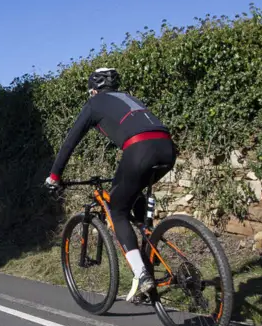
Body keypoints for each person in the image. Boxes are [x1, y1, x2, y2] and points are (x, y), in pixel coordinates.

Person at [44, 67, 176, 303]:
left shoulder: (95, 104)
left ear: (93, 90)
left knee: (116, 210)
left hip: (140, 150)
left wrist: (55, 176)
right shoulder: (128, 99)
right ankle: (149, 251)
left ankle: (143, 274)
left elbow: (70, 142)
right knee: (132, 199)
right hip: (166, 147)